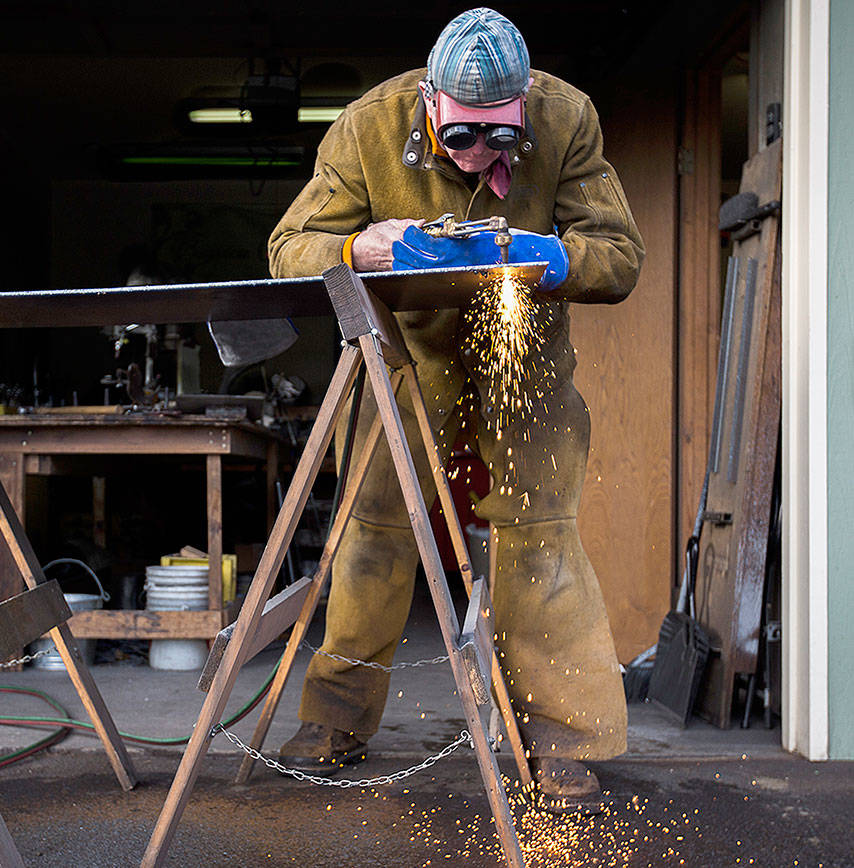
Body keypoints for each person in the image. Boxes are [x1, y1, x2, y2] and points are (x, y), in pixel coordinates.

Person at [267, 7, 643, 814]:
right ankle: (335, 721)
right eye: (461, 137)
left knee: (539, 539)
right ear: (430, 103)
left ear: (525, 108)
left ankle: (563, 743)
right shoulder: (368, 125)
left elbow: (618, 255)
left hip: (524, 359)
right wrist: (356, 248)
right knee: (372, 537)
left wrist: (554, 258)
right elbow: (287, 248)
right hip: (410, 360)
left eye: (500, 140)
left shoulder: (565, 116)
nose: (479, 156)